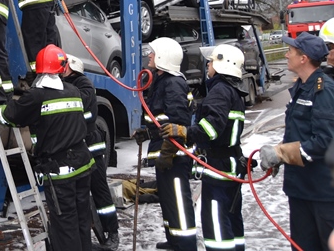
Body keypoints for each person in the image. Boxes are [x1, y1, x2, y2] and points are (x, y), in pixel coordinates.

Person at [0, 44, 95, 251]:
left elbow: (8, 116)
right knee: (81, 219)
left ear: (39, 68)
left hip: (61, 172)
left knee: (65, 225)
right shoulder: (74, 90)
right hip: (83, 165)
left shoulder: (37, 96)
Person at [161, 44, 248, 251]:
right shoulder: (233, 91)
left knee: (217, 224)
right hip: (230, 166)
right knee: (232, 221)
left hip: (218, 170)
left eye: (211, 62)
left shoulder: (220, 91)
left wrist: (185, 132)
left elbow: (211, 129)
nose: (207, 64)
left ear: (221, 64)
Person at [259, 32, 334, 251]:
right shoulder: (302, 87)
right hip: (301, 189)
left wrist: (282, 153)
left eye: (290, 51)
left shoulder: (324, 91)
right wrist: (280, 157)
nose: (286, 54)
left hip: (323, 194)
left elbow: (325, 141)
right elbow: (298, 134)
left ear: (304, 58)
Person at [133, 37, 197, 251]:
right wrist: (147, 132)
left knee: (178, 201)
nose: (149, 56)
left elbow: (178, 121)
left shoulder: (172, 83)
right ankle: (174, 240)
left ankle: (185, 244)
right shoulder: (162, 80)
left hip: (174, 157)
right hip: (166, 155)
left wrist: (168, 153)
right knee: (168, 200)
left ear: (163, 57)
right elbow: (160, 118)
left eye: (153, 53)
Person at [63, 54, 120, 251]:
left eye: (64, 65)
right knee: (80, 195)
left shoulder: (83, 84)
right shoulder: (66, 83)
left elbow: (78, 109)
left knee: (99, 192)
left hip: (91, 149)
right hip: (78, 149)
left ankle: (112, 232)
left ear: (71, 67)